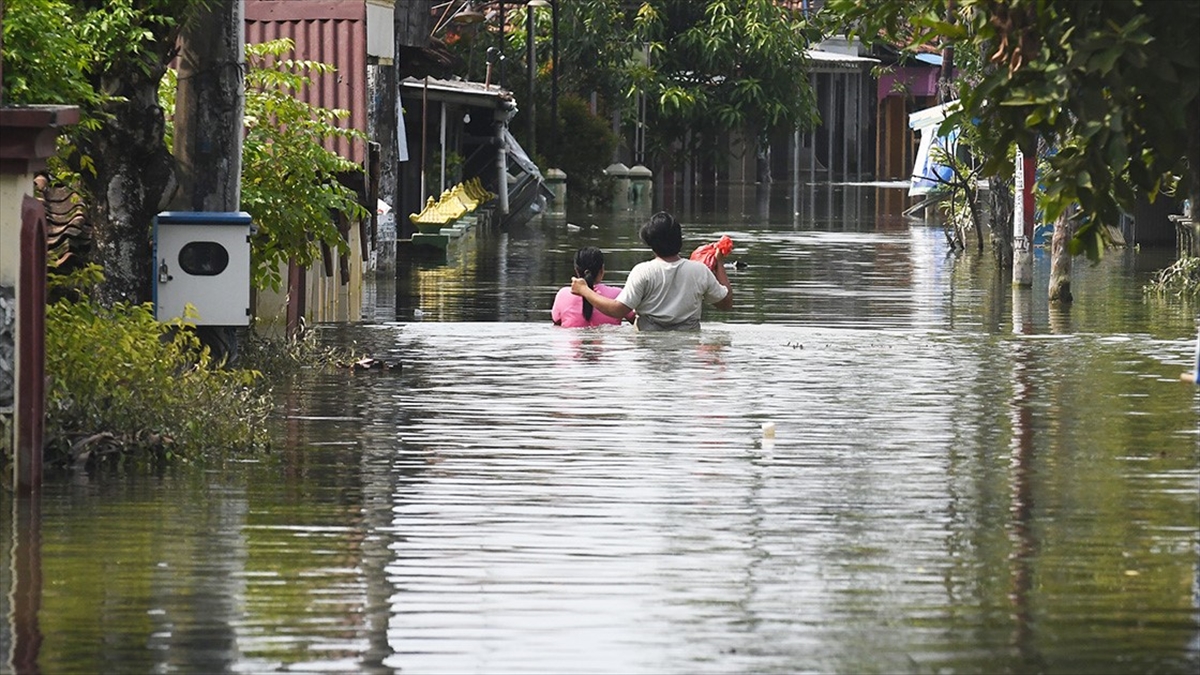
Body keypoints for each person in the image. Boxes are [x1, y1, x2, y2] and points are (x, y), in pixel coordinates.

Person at [571, 211, 732, 331]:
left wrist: (585, 290)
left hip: (647, 348)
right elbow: (726, 303)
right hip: (687, 351)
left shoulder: (643, 271)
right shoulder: (699, 271)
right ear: (679, 240)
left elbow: (618, 310)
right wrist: (719, 263)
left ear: (650, 243)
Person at [552, 246, 632, 327]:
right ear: (602, 270)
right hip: (608, 337)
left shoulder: (563, 295)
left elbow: (556, 321)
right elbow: (636, 319)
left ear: (576, 270)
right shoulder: (618, 295)